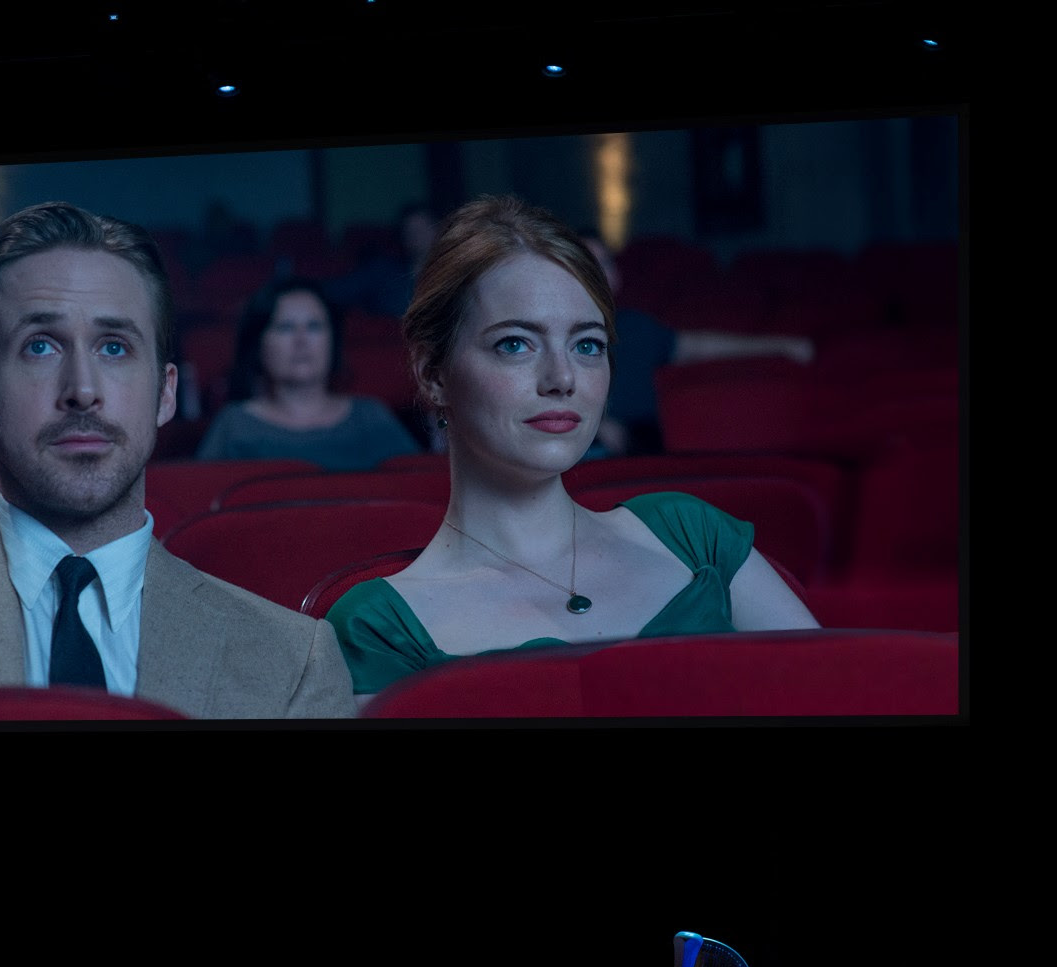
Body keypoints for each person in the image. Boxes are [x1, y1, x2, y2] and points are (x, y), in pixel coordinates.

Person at [0, 201, 356, 720]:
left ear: (165, 395)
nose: (82, 390)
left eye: (115, 347)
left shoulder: (292, 661)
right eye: (40, 346)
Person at [327, 195, 817, 694]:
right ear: (433, 374)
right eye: (514, 343)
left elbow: (839, 694)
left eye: (587, 345)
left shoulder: (692, 535)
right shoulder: (380, 627)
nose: (563, 378)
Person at [574, 229, 815, 459]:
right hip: (585, 449)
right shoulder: (557, 338)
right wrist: (593, 426)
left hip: (644, 447)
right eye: (586, 267)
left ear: (616, 275)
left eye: (603, 264)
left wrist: (781, 346)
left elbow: (699, 346)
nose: (597, 275)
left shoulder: (637, 325)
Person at [193, 278, 419, 469]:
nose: (301, 340)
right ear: (259, 344)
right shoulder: (234, 425)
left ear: (333, 341)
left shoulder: (371, 418)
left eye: (314, 326)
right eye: (285, 327)